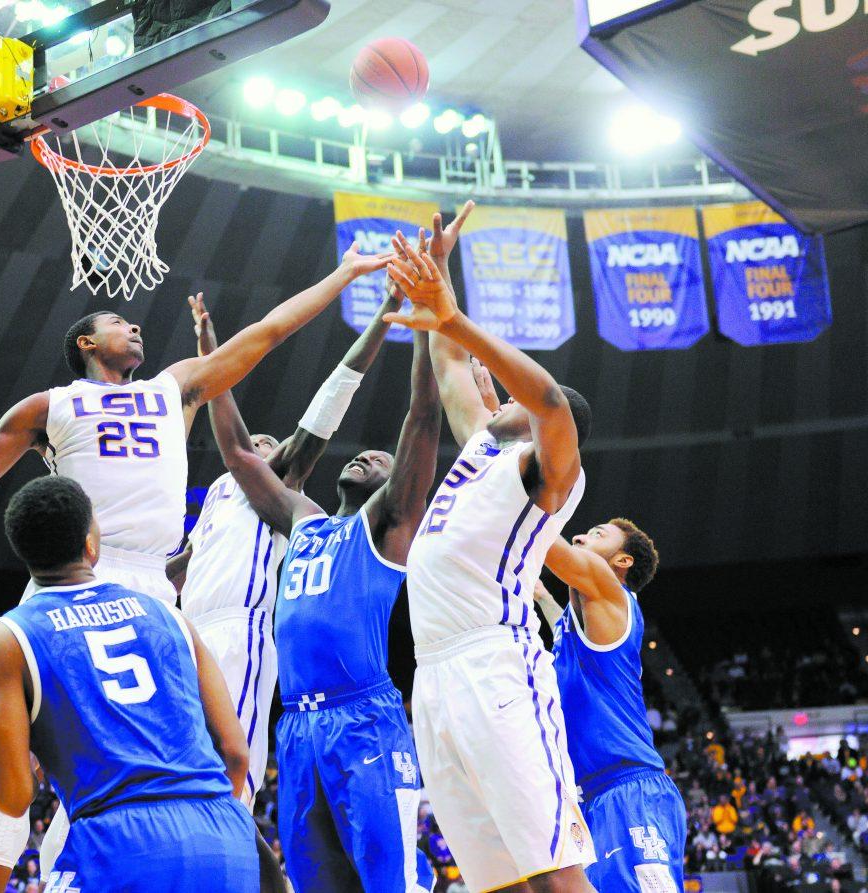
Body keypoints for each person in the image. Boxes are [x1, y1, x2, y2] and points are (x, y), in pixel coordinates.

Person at [0, 245, 391, 609]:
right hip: (76, 571)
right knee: (47, 750)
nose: (134, 326)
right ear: (87, 343)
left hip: (157, 581)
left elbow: (267, 332)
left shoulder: (175, 387)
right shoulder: (46, 408)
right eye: (118, 321)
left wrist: (342, 275)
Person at [388, 208, 597, 893]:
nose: (500, 394)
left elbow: (546, 399)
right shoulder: (484, 447)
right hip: (434, 679)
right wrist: (439, 273)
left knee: (556, 873)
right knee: (499, 880)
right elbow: (450, 368)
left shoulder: (549, 471)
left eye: (518, 400)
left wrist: (454, 319)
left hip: (494, 665)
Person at [210, 283, 441, 892]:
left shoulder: (388, 527)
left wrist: (422, 327)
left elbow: (421, 420)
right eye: (366, 453)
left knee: (390, 882)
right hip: (298, 731)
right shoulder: (303, 520)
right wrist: (212, 368)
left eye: (381, 460)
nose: (368, 454)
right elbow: (238, 455)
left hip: (363, 718)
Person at [0, 476, 263, 893]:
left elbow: (13, 797)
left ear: (23, 552)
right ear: (90, 543)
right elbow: (235, 753)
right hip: (221, 833)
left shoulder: (6, 638)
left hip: (119, 840)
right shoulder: (168, 616)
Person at [171, 285, 398, 806]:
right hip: (187, 634)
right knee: (180, 774)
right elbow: (174, 571)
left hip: (238, 631)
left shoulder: (274, 487)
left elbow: (317, 416)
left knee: (229, 785)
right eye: (260, 443)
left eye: (273, 445)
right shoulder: (216, 501)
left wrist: (214, 358)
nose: (264, 445)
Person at [532, 519, 687, 893]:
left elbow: (550, 546)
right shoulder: (581, 622)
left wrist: (513, 485)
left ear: (621, 562)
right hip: (591, 797)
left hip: (628, 791)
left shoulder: (611, 592)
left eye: (598, 535)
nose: (582, 536)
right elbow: (563, 627)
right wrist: (543, 599)